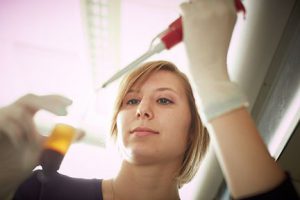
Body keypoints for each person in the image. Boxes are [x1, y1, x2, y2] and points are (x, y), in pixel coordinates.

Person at [0, 0, 299, 199]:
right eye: (130, 101)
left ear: (193, 129)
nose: (142, 110)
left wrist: (213, 80)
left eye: (165, 100)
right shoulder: (40, 192)